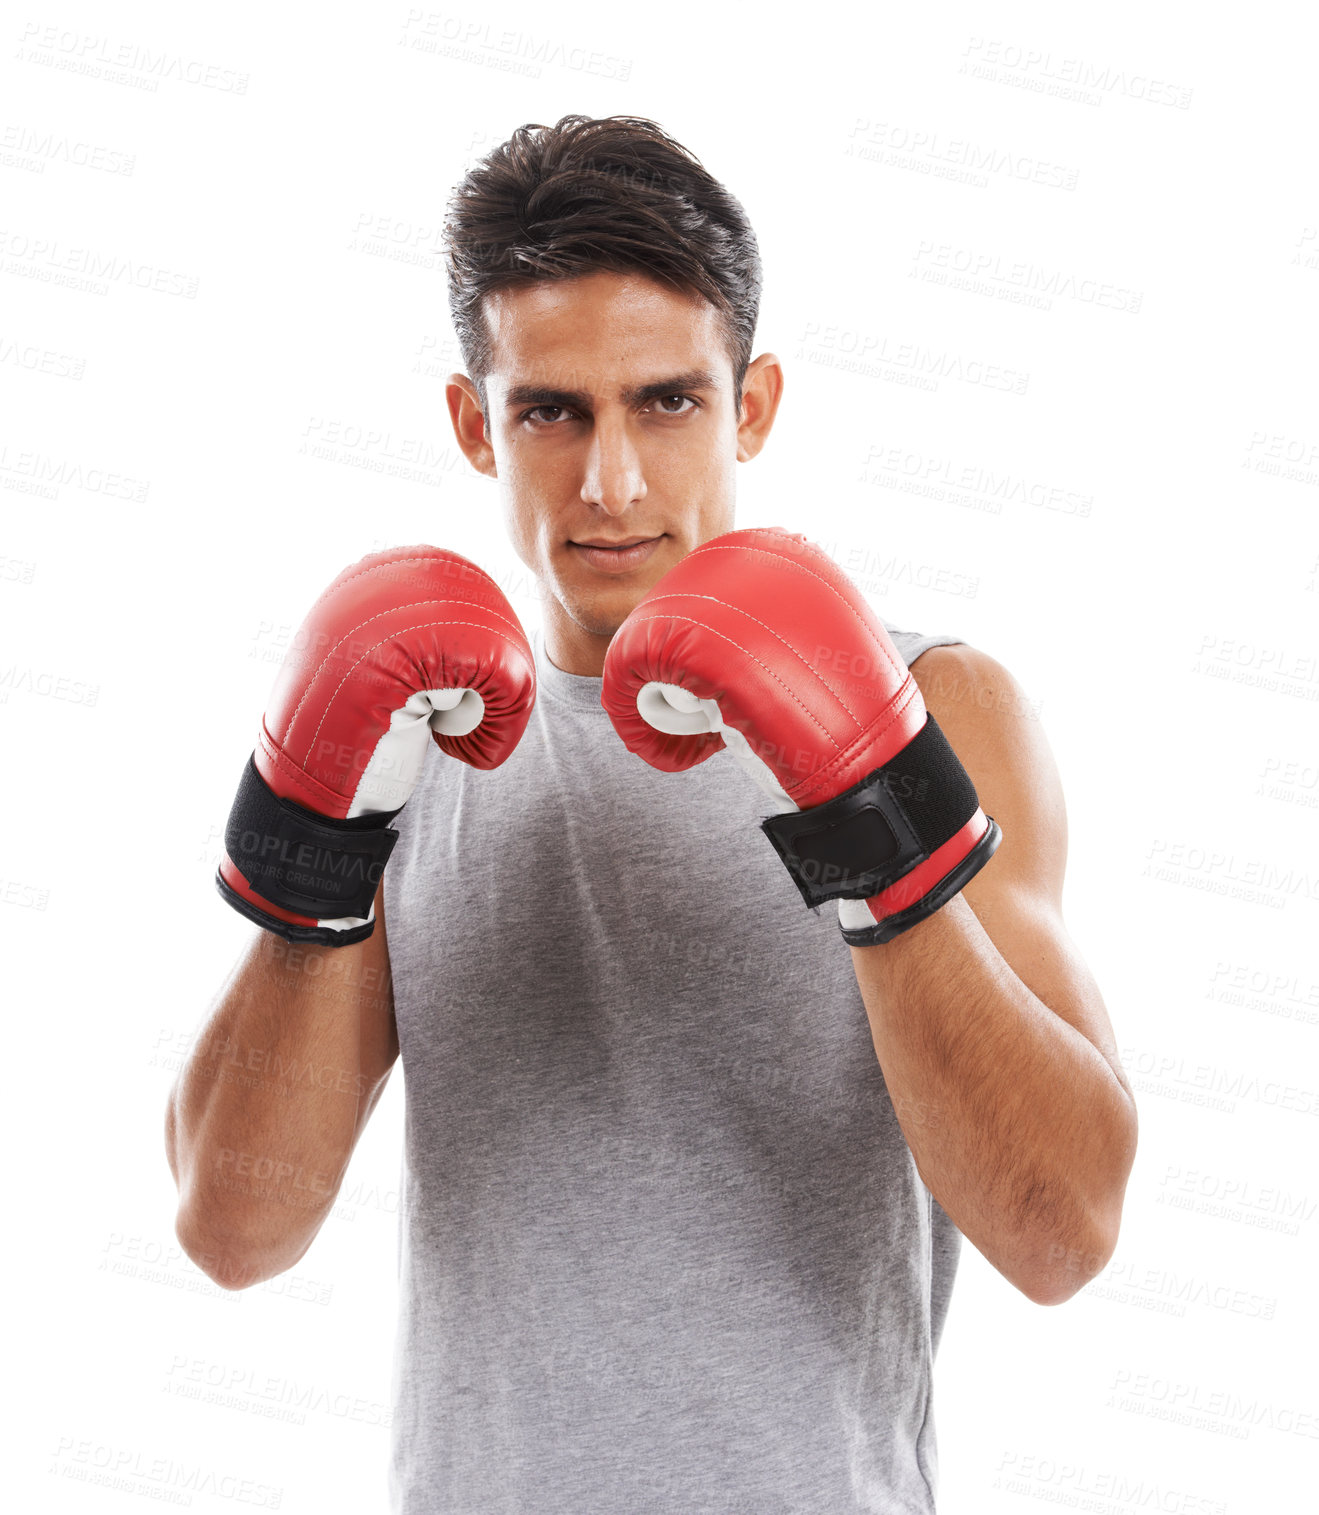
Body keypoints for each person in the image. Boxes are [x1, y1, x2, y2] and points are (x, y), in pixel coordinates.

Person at [166, 114, 1138, 1513]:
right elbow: (232, 1229)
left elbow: (1064, 1231)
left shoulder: (941, 712)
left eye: (667, 402)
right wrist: (315, 848)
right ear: (472, 423)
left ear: (753, 405)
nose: (610, 482)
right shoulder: (415, 736)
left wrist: (871, 813)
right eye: (551, 411)